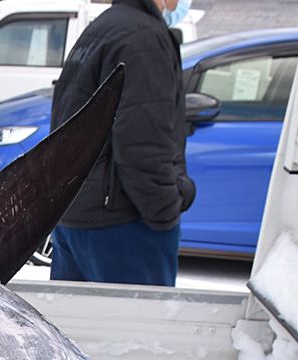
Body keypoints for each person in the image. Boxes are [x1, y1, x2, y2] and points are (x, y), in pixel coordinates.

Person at [49, 0, 196, 287]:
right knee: (137, 329)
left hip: (75, 216)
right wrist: (166, 210)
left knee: (79, 329)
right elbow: (143, 147)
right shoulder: (144, 38)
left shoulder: (101, 29)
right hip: (123, 225)